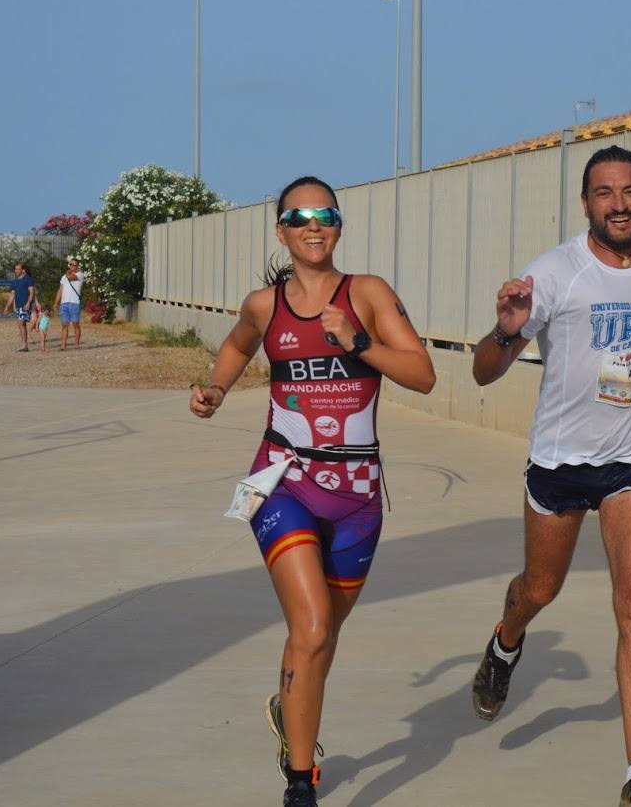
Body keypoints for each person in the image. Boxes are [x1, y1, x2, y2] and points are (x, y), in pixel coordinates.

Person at [188, 175, 435, 807]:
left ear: (339, 226)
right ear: (282, 231)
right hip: (281, 482)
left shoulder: (369, 294)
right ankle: (301, 785)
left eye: (325, 214)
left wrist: (358, 342)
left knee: (319, 640)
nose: (313, 225)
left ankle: (286, 702)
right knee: (315, 624)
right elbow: (239, 344)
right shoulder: (264, 305)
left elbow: (423, 375)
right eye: (299, 217)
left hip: (357, 496)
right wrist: (214, 389)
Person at [468, 145, 631, 807]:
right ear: (586, 204)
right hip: (563, 461)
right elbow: (485, 370)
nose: (619, 203)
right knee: (540, 588)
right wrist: (507, 331)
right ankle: (505, 644)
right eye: (605, 193)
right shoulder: (555, 274)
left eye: (630, 191)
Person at [1, 262, 36, 352]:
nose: (16, 271)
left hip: (25, 305)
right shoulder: (15, 282)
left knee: (21, 323)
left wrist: (28, 303)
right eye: (15, 269)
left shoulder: (28, 279)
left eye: (18, 269)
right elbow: (12, 295)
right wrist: (7, 307)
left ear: (23, 270)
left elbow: (32, 292)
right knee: (20, 325)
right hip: (19, 306)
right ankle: (24, 344)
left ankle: (24, 345)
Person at [53, 258, 85, 351]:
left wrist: (68, 272)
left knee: (75, 324)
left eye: (74, 265)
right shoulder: (64, 277)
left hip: (75, 302)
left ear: (78, 266)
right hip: (64, 303)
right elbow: (60, 290)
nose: (72, 266)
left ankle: (76, 344)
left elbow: (71, 277)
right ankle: (63, 344)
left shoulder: (80, 275)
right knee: (64, 325)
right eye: (71, 264)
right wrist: (56, 302)